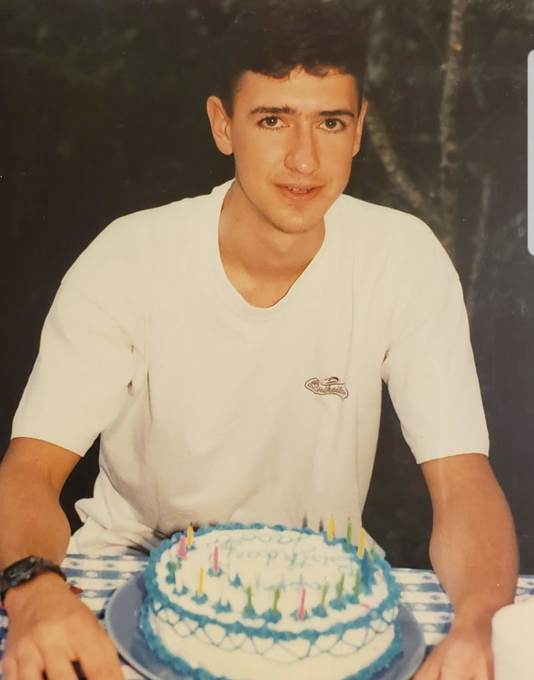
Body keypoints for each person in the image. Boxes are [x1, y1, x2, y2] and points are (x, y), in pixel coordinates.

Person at [0, 1, 517, 679]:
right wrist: (34, 592)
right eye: (273, 119)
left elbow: (463, 483)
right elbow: (29, 472)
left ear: (359, 130)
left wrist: (478, 627)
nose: (304, 158)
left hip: (318, 607)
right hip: (127, 577)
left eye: (330, 122)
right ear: (223, 124)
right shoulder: (128, 258)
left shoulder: (404, 258)